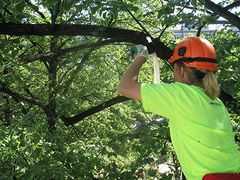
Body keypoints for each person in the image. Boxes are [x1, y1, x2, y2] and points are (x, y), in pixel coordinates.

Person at [118, 37, 240, 180]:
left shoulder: (181, 95)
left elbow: (125, 87)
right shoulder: (216, 101)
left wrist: (141, 56)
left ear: (180, 70)